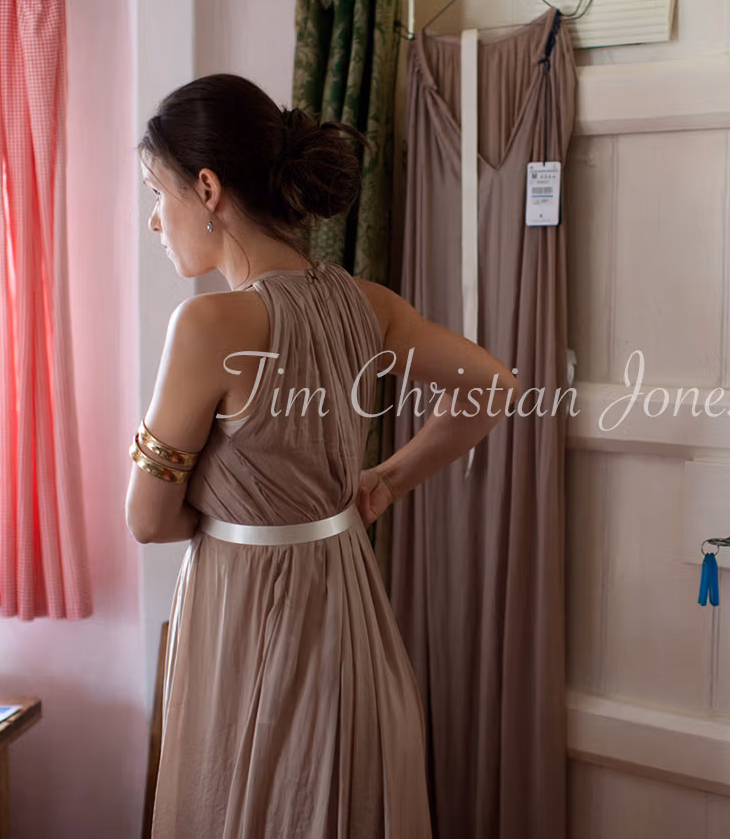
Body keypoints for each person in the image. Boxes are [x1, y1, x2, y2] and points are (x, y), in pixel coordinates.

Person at [124, 73, 519, 839]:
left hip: (244, 616)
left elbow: (148, 520)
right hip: (347, 606)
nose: (154, 219)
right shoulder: (366, 305)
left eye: (156, 191)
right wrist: (385, 482)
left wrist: (230, 505)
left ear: (206, 189)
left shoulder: (208, 326)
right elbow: (493, 387)